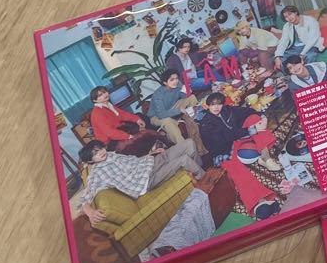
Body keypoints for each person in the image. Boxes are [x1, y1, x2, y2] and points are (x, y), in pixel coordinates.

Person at [76, 139, 204, 229]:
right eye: (95, 154)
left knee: (189, 143)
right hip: (147, 181)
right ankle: (205, 180)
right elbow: (84, 199)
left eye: (100, 149)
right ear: (90, 161)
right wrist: (90, 212)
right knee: (184, 160)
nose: (101, 152)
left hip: (149, 163)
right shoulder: (96, 173)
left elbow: (134, 161)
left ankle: (201, 170)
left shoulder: (111, 155)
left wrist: (151, 154)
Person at [146, 70, 206, 156]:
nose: (175, 81)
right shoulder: (158, 95)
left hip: (171, 109)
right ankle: (185, 149)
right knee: (167, 121)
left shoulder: (176, 86)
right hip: (156, 117)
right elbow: (161, 114)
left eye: (176, 78)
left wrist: (186, 92)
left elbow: (182, 96)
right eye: (172, 79)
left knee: (191, 97)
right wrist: (178, 111)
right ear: (165, 82)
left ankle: (197, 117)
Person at [198, 93, 255, 161]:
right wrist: (249, 130)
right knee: (249, 152)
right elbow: (225, 138)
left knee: (255, 120)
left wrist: (261, 116)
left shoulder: (226, 110)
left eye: (219, 104)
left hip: (236, 140)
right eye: (213, 104)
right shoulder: (206, 124)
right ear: (208, 106)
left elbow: (245, 111)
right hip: (223, 152)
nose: (216, 107)